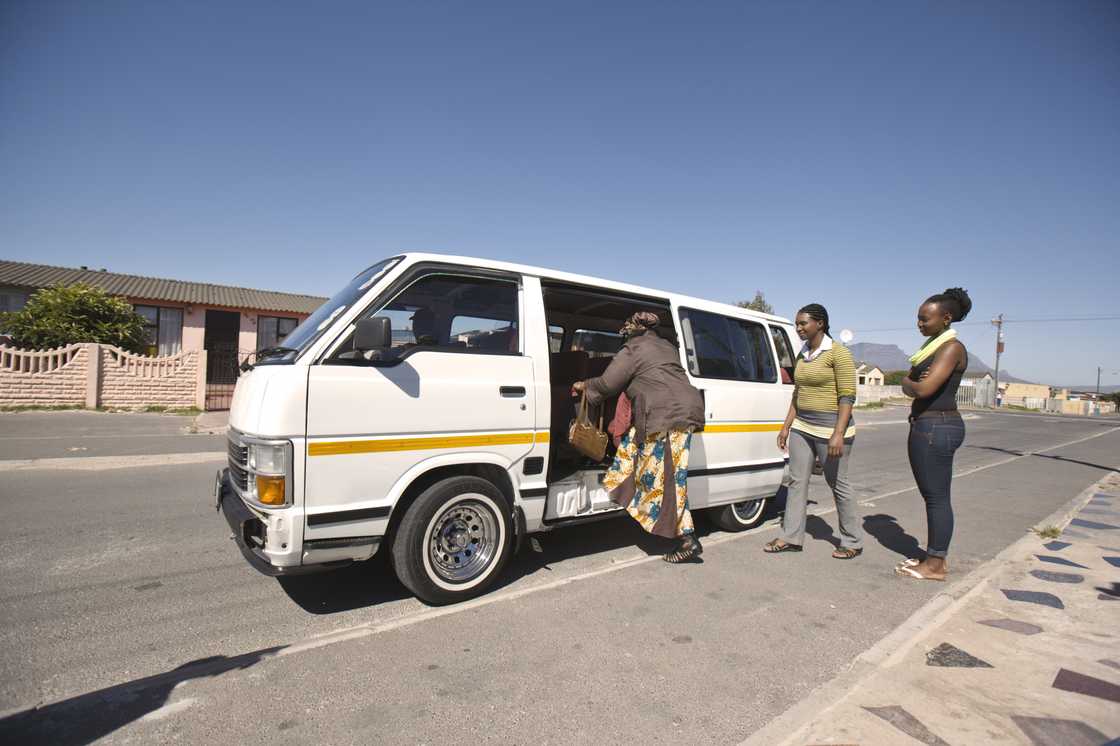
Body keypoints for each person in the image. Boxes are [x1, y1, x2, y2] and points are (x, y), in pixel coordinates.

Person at [571, 311, 706, 563]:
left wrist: (584, 386)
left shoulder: (633, 348)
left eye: (627, 326)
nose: (624, 330)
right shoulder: (666, 346)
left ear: (635, 328)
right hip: (680, 413)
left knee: (667, 480)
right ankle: (627, 491)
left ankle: (687, 538)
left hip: (666, 416)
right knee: (663, 473)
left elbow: (608, 383)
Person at [765, 304, 864, 559]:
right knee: (796, 481)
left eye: (803, 323)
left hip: (831, 427)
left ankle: (852, 540)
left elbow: (847, 396)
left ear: (819, 323)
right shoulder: (803, 353)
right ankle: (791, 537)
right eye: (797, 324)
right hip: (802, 426)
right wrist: (786, 426)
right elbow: (799, 392)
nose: (798, 328)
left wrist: (838, 433)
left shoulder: (838, 354)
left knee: (837, 483)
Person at [895, 288, 971, 581]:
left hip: (936, 427)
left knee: (937, 498)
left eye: (925, 319)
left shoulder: (951, 349)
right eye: (918, 319)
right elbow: (913, 383)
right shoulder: (932, 348)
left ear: (946, 318)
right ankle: (934, 557)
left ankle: (935, 564)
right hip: (929, 425)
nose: (919, 324)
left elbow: (922, 387)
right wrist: (912, 382)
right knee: (934, 496)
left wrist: (910, 382)